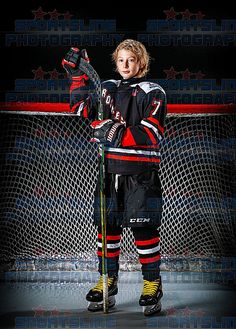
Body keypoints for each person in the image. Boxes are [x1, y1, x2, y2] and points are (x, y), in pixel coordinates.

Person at [62, 39, 167, 316]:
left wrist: (114, 132)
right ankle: (107, 280)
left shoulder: (153, 92)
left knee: (145, 231)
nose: (125, 65)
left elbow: (151, 134)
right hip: (108, 173)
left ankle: (152, 284)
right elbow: (80, 108)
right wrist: (78, 76)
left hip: (140, 176)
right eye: (121, 60)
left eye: (131, 60)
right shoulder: (106, 88)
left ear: (141, 62)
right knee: (107, 232)